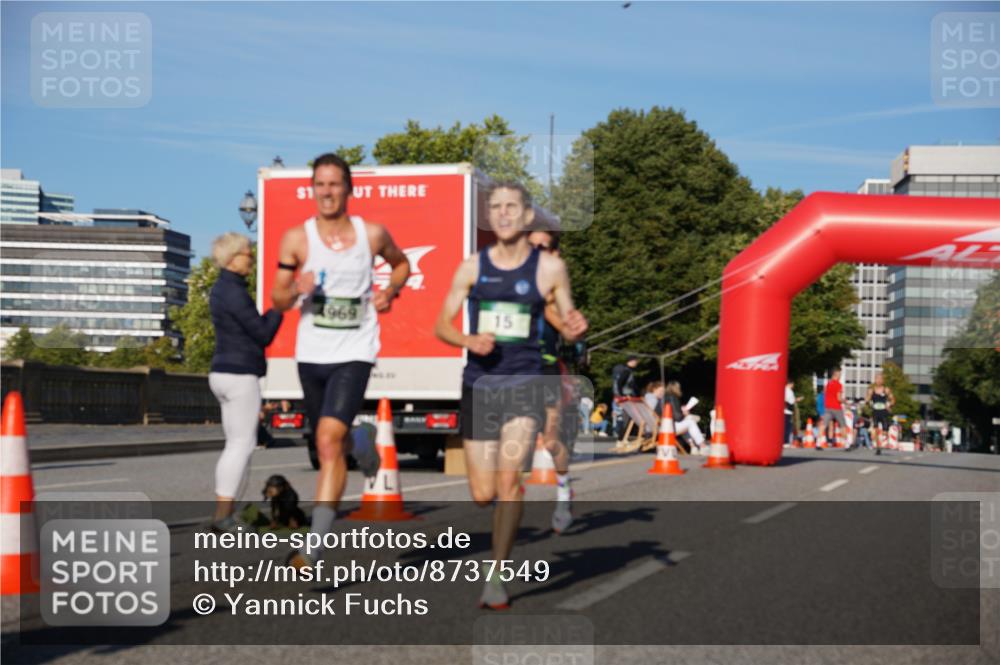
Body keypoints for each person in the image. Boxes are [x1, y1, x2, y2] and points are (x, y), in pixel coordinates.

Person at [435, 180, 587, 609]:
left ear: (524, 217)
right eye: (495, 207)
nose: (503, 213)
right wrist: (467, 339)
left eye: (511, 207)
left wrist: (574, 326)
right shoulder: (471, 267)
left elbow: (565, 315)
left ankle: (496, 578)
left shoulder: (549, 269)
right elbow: (441, 325)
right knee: (483, 493)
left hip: (525, 383)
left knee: (509, 483)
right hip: (480, 384)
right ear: (490, 217)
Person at [272, 153, 411, 568]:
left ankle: (313, 546)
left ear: (349, 189)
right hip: (311, 353)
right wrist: (298, 286)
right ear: (311, 189)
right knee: (328, 442)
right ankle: (364, 443)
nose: (327, 192)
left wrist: (391, 291)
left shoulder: (371, 234)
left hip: (356, 350)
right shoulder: (297, 239)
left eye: (334, 184)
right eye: (320, 185)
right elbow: (279, 299)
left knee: (330, 440)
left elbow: (401, 264)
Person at [207, 232, 284, 533]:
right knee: (242, 444)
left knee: (234, 445)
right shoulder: (234, 291)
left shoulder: (221, 290)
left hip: (221, 372)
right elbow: (262, 333)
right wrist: (279, 307)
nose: (251, 258)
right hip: (240, 374)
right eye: (247, 254)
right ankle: (223, 517)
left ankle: (224, 514)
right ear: (232, 258)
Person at [527, 225, 586, 534]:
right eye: (531, 247)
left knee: (550, 440)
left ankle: (564, 492)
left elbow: (567, 324)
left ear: (555, 254)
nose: (537, 255)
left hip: (548, 368)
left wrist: (575, 330)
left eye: (544, 248)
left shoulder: (553, 289)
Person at [664, 381, 706, 455]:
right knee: (690, 422)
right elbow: (678, 418)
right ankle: (703, 446)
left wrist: (681, 411)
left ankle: (693, 447)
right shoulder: (673, 398)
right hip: (669, 427)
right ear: (676, 388)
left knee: (686, 424)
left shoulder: (665, 397)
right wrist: (684, 413)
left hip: (664, 425)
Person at [866, 372, 894, 455]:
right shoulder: (871, 390)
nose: (878, 380)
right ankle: (878, 447)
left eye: (880, 379)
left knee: (885, 431)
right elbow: (867, 399)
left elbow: (893, 400)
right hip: (875, 412)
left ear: (883, 380)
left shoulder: (886, 389)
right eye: (876, 379)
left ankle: (883, 440)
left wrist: (889, 405)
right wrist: (868, 401)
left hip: (884, 412)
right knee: (876, 430)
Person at [611, 357, 639, 438]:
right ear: (631, 361)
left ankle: (623, 437)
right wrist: (622, 395)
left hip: (627, 397)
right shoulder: (626, 371)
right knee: (626, 418)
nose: (636, 363)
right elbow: (620, 383)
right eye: (635, 361)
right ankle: (621, 438)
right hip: (626, 398)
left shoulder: (628, 371)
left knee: (627, 418)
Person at [821, 369, 847, 444]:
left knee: (824, 424)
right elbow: (839, 398)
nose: (840, 377)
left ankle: (818, 443)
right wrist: (845, 402)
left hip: (827, 407)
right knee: (842, 425)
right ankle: (847, 444)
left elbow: (825, 393)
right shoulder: (839, 385)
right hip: (836, 408)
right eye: (839, 375)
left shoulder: (828, 384)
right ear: (836, 375)